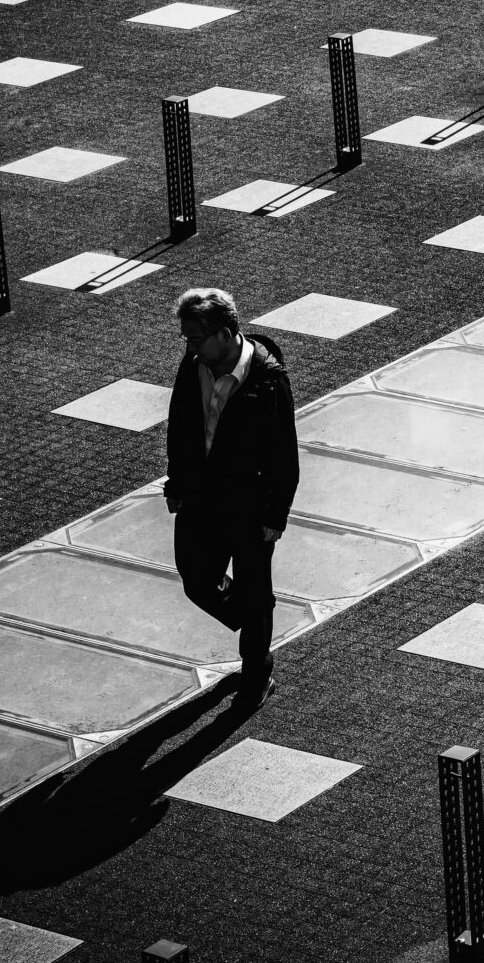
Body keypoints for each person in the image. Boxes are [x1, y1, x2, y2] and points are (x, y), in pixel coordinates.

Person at [164, 288, 299, 710]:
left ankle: (257, 673)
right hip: (200, 497)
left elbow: (284, 452)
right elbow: (179, 426)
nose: (189, 346)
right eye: (186, 338)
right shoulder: (193, 364)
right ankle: (255, 615)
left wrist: (276, 514)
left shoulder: (268, 379)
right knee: (196, 578)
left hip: (250, 504)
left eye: (196, 338)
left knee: (255, 589)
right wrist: (176, 484)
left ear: (224, 334)